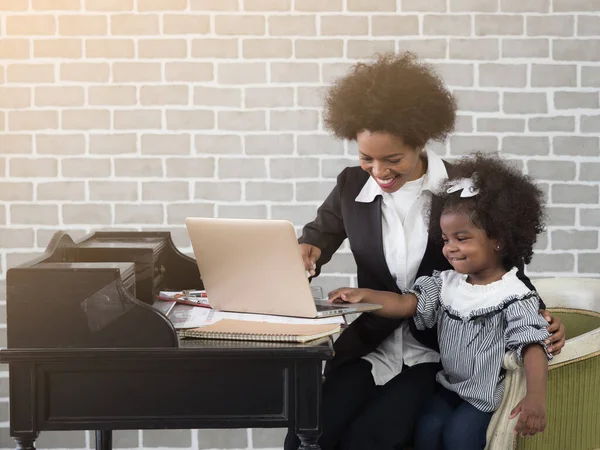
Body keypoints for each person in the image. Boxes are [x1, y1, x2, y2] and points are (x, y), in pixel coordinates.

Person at [283, 52, 566, 450]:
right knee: (307, 433)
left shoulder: (461, 192)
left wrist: (539, 315)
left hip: (435, 353)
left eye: (392, 159)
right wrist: (305, 251)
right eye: (367, 158)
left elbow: (502, 267)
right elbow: (320, 233)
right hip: (371, 343)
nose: (379, 171)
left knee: (375, 437)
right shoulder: (350, 185)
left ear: (419, 141)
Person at [328, 152, 551, 449]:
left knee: (460, 437)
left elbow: (533, 346)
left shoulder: (513, 294)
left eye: (462, 238)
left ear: (498, 239)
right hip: (449, 386)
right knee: (427, 429)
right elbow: (406, 304)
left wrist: (535, 397)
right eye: (445, 239)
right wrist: (365, 296)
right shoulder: (447, 284)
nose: (451, 249)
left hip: (484, 395)